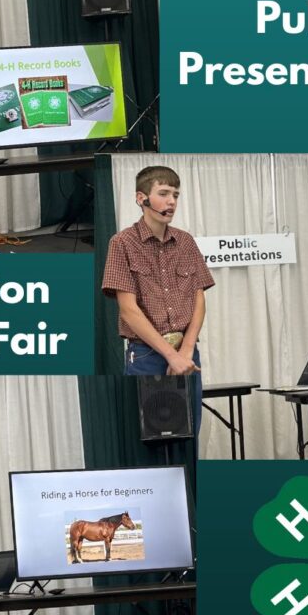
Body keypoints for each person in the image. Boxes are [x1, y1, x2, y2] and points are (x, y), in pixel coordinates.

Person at [102, 166, 215, 432]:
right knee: (152, 434)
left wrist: (186, 351)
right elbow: (129, 310)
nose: (171, 201)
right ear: (141, 198)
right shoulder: (122, 243)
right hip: (146, 354)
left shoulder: (185, 242)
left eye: (175, 194)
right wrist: (169, 356)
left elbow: (198, 298)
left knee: (188, 432)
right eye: (163, 193)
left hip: (186, 353)